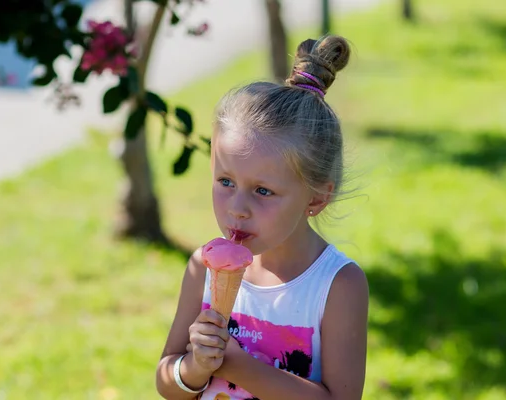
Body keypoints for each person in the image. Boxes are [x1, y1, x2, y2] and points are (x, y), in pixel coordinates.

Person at [155, 34, 369, 400]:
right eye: (225, 181)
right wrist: (194, 367)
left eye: (263, 191)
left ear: (316, 197)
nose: (237, 207)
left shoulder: (337, 286)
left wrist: (237, 365)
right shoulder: (203, 269)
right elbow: (167, 381)